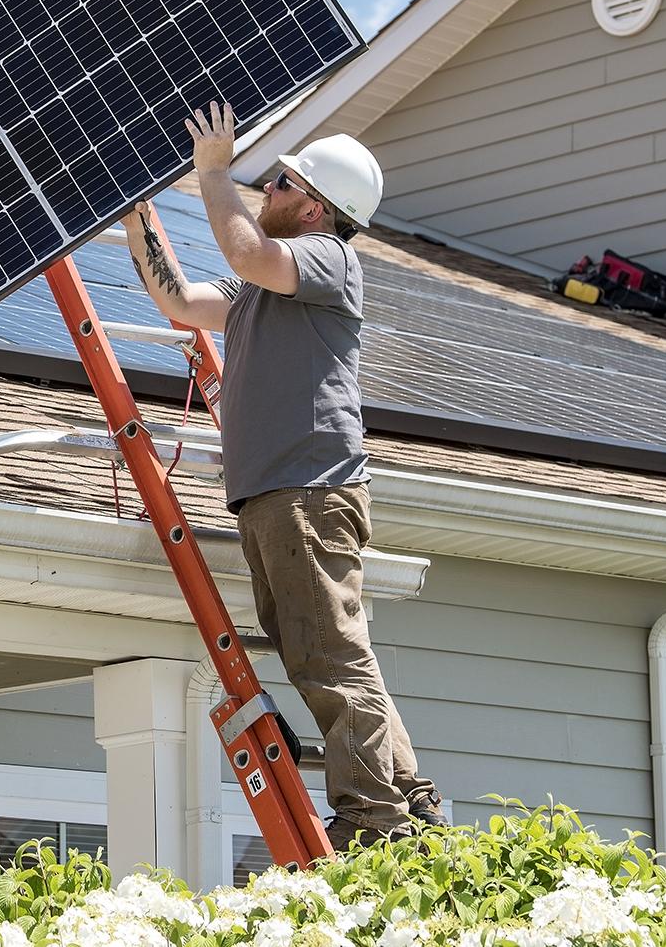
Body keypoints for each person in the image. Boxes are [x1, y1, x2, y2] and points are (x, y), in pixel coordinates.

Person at [119, 102, 444, 849]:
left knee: (327, 655)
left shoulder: (329, 257)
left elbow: (244, 254)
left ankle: (372, 817)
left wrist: (211, 170)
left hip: (308, 488)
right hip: (280, 493)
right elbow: (178, 300)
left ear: (315, 207)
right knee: (322, 649)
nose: (267, 191)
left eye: (281, 182)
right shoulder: (263, 290)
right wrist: (138, 218)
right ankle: (406, 795)